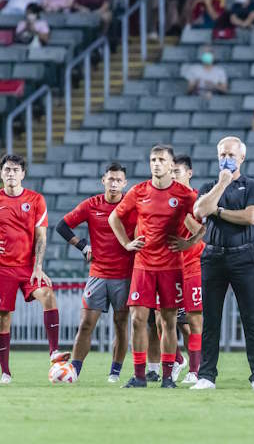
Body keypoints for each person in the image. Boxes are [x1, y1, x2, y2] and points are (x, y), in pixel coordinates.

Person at [108, 145, 200, 389]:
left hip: (171, 267)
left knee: (169, 323)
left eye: (161, 159)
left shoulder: (184, 194)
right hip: (143, 266)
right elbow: (113, 217)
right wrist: (127, 244)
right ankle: (139, 376)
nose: (156, 164)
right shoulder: (139, 191)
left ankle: (168, 377)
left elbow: (204, 222)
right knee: (138, 320)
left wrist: (189, 242)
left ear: (171, 165)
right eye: (153, 159)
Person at [0, 154, 68, 384]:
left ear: (23, 174)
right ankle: (5, 372)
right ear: (1, 173)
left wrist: (38, 267)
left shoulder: (36, 200)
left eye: (15, 170)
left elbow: (41, 236)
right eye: (7, 170)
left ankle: (54, 351)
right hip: (1, 268)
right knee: (2, 318)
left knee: (47, 293)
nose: (11, 174)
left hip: (28, 267)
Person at [191, 136, 254, 390]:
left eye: (231, 155)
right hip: (212, 257)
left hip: (242, 257)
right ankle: (206, 376)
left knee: (251, 319)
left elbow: (251, 216)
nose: (226, 159)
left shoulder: (253, 186)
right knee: (210, 320)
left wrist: (220, 212)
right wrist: (222, 184)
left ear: (242, 158)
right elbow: (200, 210)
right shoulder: (209, 185)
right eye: (223, 154)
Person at [55, 162, 136, 382]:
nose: (114, 183)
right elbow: (61, 226)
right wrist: (82, 246)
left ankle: (115, 373)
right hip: (98, 273)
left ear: (125, 183)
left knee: (121, 324)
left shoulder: (131, 205)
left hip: (125, 275)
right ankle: (74, 371)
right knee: (86, 324)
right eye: (110, 179)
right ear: (103, 180)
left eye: (119, 180)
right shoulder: (92, 205)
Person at [169, 155, 208, 385]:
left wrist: (181, 213)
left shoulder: (195, 201)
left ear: (189, 173)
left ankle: (195, 370)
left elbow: (204, 232)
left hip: (192, 265)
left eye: (177, 171)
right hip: (167, 266)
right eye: (170, 171)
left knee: (194, 320)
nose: (173, 175)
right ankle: (177, 360)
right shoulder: (163, 198)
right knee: (161, 318)